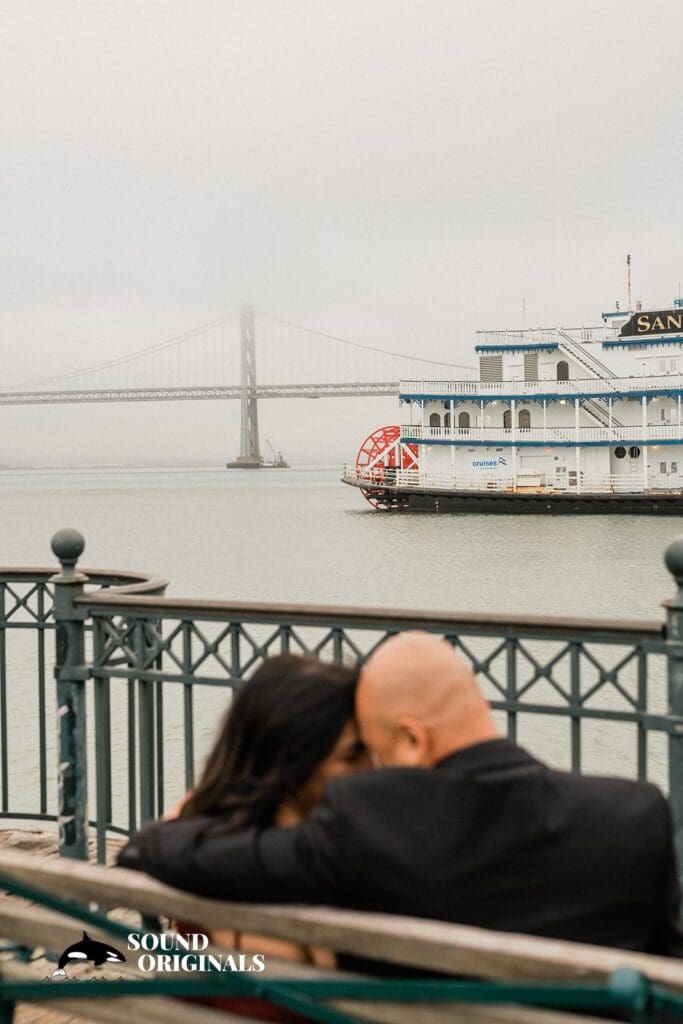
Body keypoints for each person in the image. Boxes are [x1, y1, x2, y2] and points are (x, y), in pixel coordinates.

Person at [119, 632, 683, 957]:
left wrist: (173, 821)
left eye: (377, 750)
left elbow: (160, 850)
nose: (374, 770)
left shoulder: (370, 831)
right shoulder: (637, 815)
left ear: (413, 738)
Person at [159, 653, 371, 1018]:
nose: (369, 768)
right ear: (294, 761)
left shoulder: (187, 829)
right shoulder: (316, 871)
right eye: (353, 755)